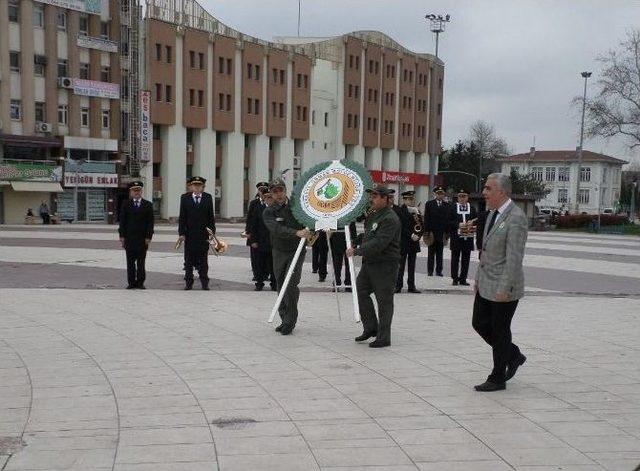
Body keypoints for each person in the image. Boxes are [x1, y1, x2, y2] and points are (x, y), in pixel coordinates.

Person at [472, 173, 528, 392]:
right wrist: (477, 279)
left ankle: (497, 378)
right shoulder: (491, 214)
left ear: (501, 192)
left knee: (500, 330)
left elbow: (514, 259)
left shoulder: (516, 218)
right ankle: (513, 355)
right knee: (479, 323)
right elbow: (485, 252)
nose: (484, 192)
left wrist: (505, 288)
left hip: (504, 287)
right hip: (486, 283)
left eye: (488, 188)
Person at [347, 184, 401, 348]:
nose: (372, 199)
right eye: (372, 196)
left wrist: (357, 251)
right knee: (360, 291)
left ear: (386, 199)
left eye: (376, 196)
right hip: (370, 263)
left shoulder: (390, 218)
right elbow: (370, 235)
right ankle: (371, 327)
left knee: (384, 301)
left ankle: (384, 337)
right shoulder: (374, 214)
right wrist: (357, 240)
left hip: (385, 265)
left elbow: (380, 242)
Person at [263, 177, 312, 335]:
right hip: (279, 250)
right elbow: (276, 229)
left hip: (296, 250)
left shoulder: (297, 207)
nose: (278, 194)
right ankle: (284, 318)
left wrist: (312, 230)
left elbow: (310, 220)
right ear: (271, 193)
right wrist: (296, 232)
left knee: (290, 285)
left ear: (285, 190)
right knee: (280, 283)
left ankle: (290, 321)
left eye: (281, 190)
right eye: (275, 191)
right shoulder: (269, 211)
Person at [178, 176, 216, 290]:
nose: (197, 187)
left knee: (203, 261)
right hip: (190, 235)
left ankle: (205, 282)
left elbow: (210, 217)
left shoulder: (208, 198)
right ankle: (188, 282)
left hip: (203, 235)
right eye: (195, 185)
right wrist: (181, 233)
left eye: (199, 185)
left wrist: (212, 233)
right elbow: (182, 217)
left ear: (203, 187)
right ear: (191, 186)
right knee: (188, 260)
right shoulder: (185, 198)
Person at [118, 180, 154, 289]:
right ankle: (131, 283)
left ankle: (140, 283)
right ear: (130, 192)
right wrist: (122, 236)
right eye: (134, 191)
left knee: (141, 262)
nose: (136, 192)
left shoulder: (147, 205)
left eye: (138, 190)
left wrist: (148, 237)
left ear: (141, 191)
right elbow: (122, 221)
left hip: (142, 239)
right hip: (129, 238)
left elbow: (150, 223)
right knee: (130, 262)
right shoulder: (126, 204)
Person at [247, 188, 277, 291]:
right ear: (264, 198)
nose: (269, 199)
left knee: (273, 265)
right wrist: (253, 241)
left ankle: (274, 284)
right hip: (260, 241)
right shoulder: (258, 209)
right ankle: (259, 283)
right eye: (267, 197)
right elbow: (253, 226)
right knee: (259, 264)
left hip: (274, 242)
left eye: (271, 197)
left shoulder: (277, 209)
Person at [395, 190, 423, 293]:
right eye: (408, 199)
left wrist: (418, 236)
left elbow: (421, 225)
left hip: (414, 242)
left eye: (411, 199)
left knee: (412, 265)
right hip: (404, 241)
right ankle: (398, 285)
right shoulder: (400, 210)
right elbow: (400, 226)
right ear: (404, 200)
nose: (410, 201)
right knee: (401, 266)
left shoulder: (416, 210)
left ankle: (411, 286)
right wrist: (411, 235)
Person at [449, 189, 478, 286]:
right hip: (456, 238)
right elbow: (448, 221)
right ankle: (455, 278)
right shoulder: (453, 207)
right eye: (460, 196)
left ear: (467, 197)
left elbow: (476, 220)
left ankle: (463, 278)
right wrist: (458, 224)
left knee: (466, 259)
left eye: (464, 196)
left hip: (468, 237)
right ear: (458, 197)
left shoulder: (472, 208)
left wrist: (473, 224)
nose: (462, 198)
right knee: (455, 259)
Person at [246, 182, 270, 283]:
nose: (262, 192)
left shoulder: (270, 203)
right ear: (258, 191)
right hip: (255, 234)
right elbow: (249, 219)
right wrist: (248, 232)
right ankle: (257, 274)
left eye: (264, 189)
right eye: (261, 190)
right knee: (255, 257)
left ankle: (265, 274)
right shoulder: (254, 203)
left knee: (267, 257)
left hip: (267, 235)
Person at [423, 186, 450, 277]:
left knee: (440, 253)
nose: (440, 195)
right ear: (435, 194)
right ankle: (430, 271)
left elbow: (448, 220)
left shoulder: (447, 205)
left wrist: (447, 233)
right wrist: (426, 232)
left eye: (441, 193)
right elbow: (426, 218)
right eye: (438, 193)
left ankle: (439, 271)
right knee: (431, 253)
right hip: (432, 233)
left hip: (442, 233)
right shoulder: (429, 204)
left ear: (443, 194)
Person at [329, 222, 357, 292]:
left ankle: (345, 283)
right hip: (339, 237)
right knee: (338, 263)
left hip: (343, 237)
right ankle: (338, 283)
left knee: (346, 263)